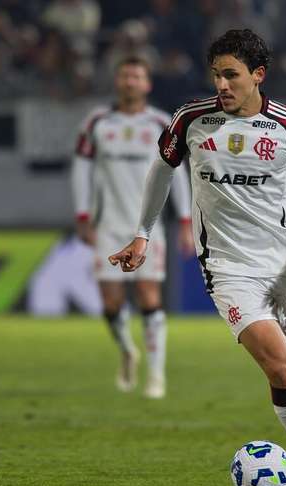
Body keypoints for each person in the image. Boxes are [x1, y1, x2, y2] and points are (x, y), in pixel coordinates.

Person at [109, 29, 286, 486]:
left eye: (232, 75)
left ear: (258, 75)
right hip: (227, 268)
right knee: (281, 370)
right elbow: (161, 170)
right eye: (217, 74)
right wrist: (142, 233)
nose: (222, 84)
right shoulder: (190, 120)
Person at [71, 56, 194, 399]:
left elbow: (177, 172)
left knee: (148, 296)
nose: (130, 82)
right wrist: (83, 215)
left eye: (137, 76)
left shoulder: (159, 123)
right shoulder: (97, 122)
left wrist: (185, 220)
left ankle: (156, 375)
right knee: (111, 303)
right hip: (108, 223)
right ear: (117, 82)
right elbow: (81, 170)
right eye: (125, 76)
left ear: (147, 84)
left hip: (148, 226)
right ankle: (127, 350)